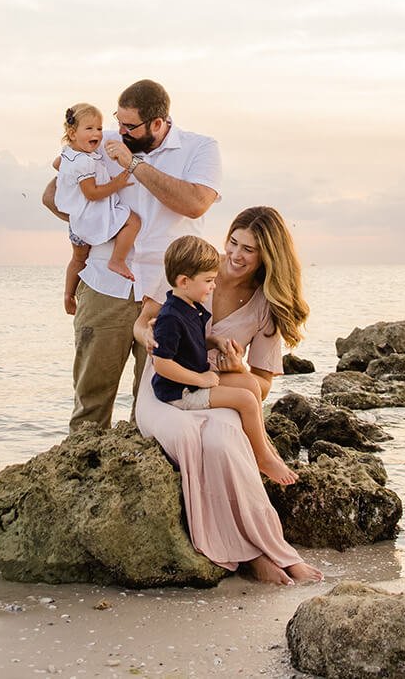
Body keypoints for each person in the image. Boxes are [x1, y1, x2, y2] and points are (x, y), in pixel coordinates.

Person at [132, 206, 323, 585]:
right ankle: (253, 557)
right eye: (233, 242)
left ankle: (270, 548)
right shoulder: (193, 264)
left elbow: (262, 385)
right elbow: (141, 324)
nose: (235, 255)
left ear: (268, 255)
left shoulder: (268, 303)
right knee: (187, 438)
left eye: (249, 250)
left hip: (219, 387)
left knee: (222, 440)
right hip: (166, 387)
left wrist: (236, 368)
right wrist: (151, 341)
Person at [41, 80, 222, 432]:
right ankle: (79, 477)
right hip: (104, 286)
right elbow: (53, 195)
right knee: (89, 403)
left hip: (167, 294)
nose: (119, 131)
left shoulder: (200, 148)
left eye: (129, 126)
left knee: (156, 405)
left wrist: (134, 165)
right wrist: (99, 226)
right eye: (117, 121)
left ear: (158, 123)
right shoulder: (99, 141)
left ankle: (145, 481)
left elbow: (196, 204)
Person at [148, 234, 298, 486]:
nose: (214, 286)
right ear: (184, 281)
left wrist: (215, 344)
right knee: (246, 400)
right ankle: (262, 457)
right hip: (181, 390)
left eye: (248, 249)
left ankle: (265, 450)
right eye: (208, 281)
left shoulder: (190, 306)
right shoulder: (171, 316)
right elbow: (162, 363)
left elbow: (191, 343)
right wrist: (201, 379)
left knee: (251, 386)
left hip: (196, 379)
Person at [55, 103, 141, 315]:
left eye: (99, 129)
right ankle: (117, 260)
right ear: (72, 133)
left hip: (76, 223)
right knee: (133, 221)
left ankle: (68, 295)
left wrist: (70, 177)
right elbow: (92, 193)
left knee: (78, 258)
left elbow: (57, 164)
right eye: (89, 129)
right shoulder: (84, 162)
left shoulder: (69, 154)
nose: (97, 134)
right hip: (92, 216)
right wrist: (116, 184)